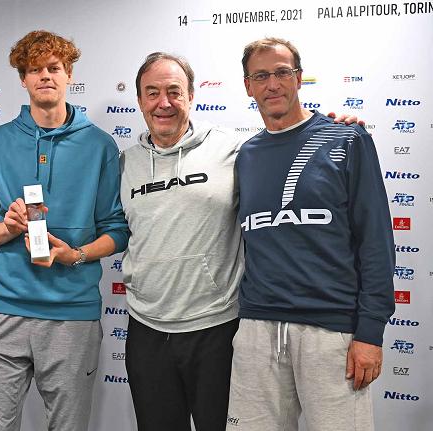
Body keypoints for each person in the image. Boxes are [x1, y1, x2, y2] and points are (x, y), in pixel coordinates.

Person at [120, 52, 365, 431]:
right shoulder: (124, 163)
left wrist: (332, 128)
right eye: (152, 93)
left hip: (218, 327)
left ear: (191, 96)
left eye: (174, 91)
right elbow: (112, 228)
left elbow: (285, 144)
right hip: (147, 328)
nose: (163, 103)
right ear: (139, 100)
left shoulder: (236, 150)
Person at [226, 37, 394, 430]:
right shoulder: (246, 155)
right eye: (261, 76)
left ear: (299, 78)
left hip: (331, 332)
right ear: (248, 86)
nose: (273, 84)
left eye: (282, 73)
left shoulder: (346, 139)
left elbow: (376, 242)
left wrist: (370, 332)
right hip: (256, 328)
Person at [0, 30, 129, 431]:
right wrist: (6, 228)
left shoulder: (100, 146)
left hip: (72, 314)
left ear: (69, 74)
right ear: (23, 78)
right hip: (5, 308)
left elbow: (116, 229)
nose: (45, 76)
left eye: (54, 68)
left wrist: (74, 255)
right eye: (35, 69)